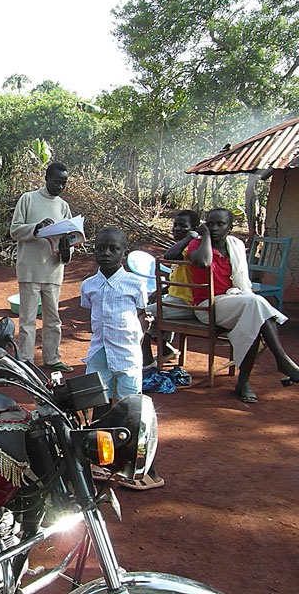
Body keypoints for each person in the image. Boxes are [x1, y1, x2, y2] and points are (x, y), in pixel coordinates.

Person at [81, 227, 164, 490]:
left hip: (127, 353)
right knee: (100, 405)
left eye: (113, 249)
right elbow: (91, 313)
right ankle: (99, 460)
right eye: (101, 248)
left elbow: (141, 314)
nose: (106, 253)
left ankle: (141, 468)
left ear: (123, 253)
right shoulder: (89, 285)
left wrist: (137, 340)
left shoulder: (135, 284)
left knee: (132, 411)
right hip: (99, 352)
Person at [187, 208, 299, 404]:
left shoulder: (235, 245)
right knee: (255, 306)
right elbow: (203, 262)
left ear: (229, 228)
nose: (214, 228)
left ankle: (244, 382)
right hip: (207, 306)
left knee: (254, 316)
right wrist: (205, 237)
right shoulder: (197, 244)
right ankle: (280, 361)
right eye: (210, 224)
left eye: (220, 224)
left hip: (235, 299)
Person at [10, 162, 73, 371]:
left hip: (53, 270)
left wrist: (67, 249)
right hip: (29, 269)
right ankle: (26, 360)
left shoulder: (63, 206)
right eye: (56, 182)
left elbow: (70, 237)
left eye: (63, 183)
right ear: (46, 179)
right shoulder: (28, 199)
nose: (60, 187)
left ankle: (52, 358)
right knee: (27, 319)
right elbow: (15, 230)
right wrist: (37, 227)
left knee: (53, 319)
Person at [141, 210, 200, 368]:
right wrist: (162, 291)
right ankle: (167, 350)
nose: (177, 229)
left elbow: (169, 255)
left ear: (194, 229)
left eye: (183, 226)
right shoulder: (183, 247)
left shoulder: (190, 248)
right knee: (156, 306)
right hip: (176, 299)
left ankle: (147, 363)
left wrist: (191, 237)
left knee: (140, 314)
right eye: (175, 225)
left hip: (186, 303)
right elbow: (181, 281)